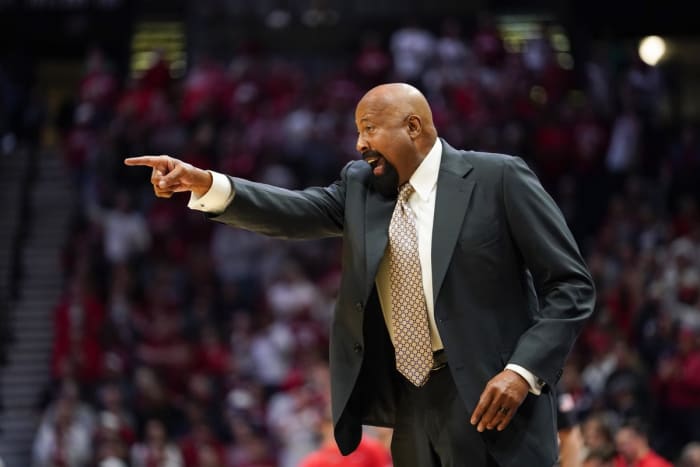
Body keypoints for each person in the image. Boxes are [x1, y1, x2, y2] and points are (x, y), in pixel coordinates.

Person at [125, 82, 595, 467]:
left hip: (493, 399)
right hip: (410, 401)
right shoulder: (361, 187)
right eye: (357, 131)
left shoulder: (498, 179)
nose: (359, 143)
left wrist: (523, 371)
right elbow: (294, 211)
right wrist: (206, 183)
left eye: (369, 128)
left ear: (413, 126)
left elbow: (570, 286)